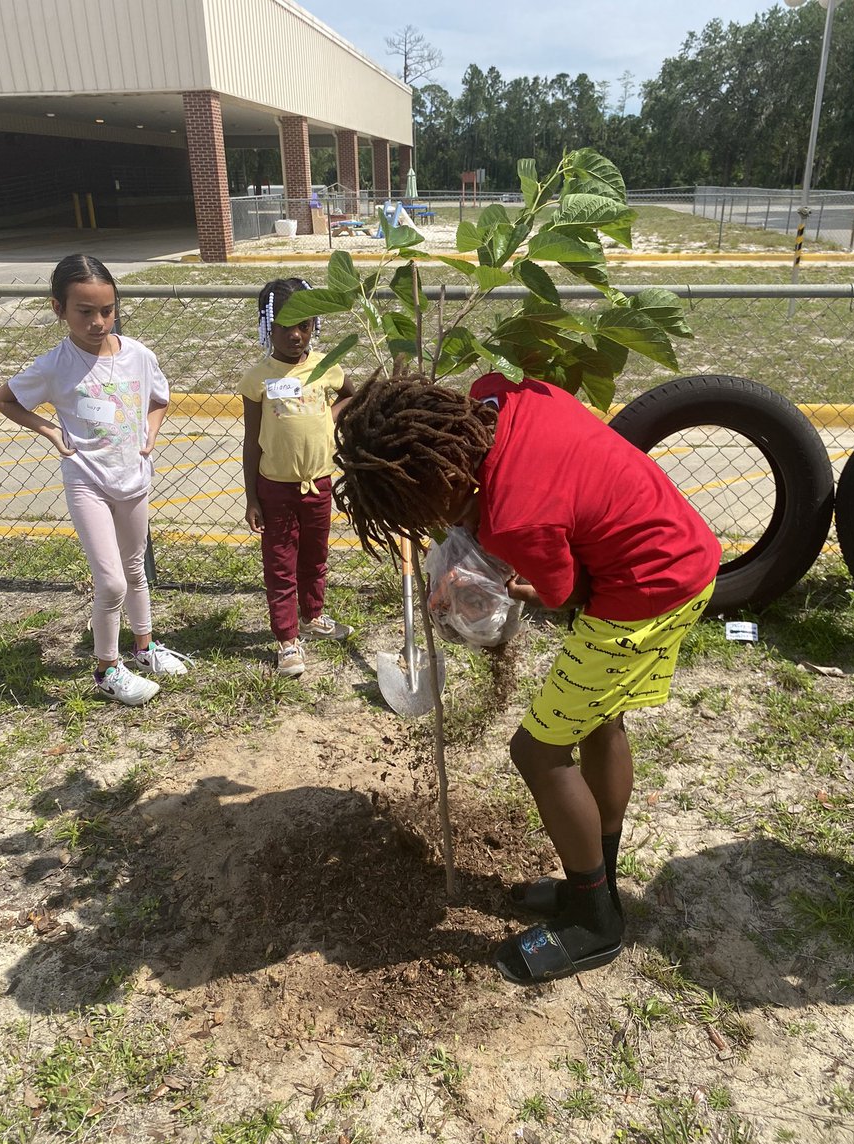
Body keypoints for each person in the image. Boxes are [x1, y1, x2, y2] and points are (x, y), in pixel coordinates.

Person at [333, 369, 721, 986]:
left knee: (537, 750)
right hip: (683, 552)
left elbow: (558, 589)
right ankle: (592, 882)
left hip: (645, 592)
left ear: (446, 478)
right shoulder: (498, 399)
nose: (437, 526)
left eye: (427, 510)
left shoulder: (514, 517)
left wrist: (498, 582)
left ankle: (596, 924)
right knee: (600, 718)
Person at [0, 254, 189, 706]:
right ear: (58, 309)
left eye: (107, 310)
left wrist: (150, 434)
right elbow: (5, 398)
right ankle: (106, 669)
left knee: (136, 568)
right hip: (88, 482)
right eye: (84, 311)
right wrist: (49, 430)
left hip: (134, 479)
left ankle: (145, 648)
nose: (98, 321)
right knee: (113, 582)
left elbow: (160, 398)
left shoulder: (139, 355)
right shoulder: (54, 365)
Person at [239, 278, 356, 677]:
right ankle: (287, 639)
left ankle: (313, 615)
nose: (295, 334)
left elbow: (349, 394)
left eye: (304, 325)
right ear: (266, 326)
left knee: (315, 556)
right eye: (283, 326)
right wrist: (252, 496)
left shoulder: (326, 367)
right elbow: (252, 442)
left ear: (314, 326)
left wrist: (330, 417)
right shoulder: (258, 378)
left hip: (318, 484)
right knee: (280, 562)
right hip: (276, 488)